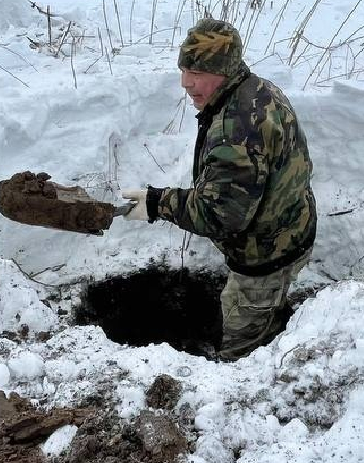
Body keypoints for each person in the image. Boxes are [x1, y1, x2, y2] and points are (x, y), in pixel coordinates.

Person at [122, 18, 316, 361]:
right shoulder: (259, 90)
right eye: (184, 70)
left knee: (242, 345)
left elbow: (219, 216)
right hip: (294, 227)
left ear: (224, 71)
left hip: (265, 257)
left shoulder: (235, 133)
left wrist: (156, 203)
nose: (186, 83)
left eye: (197, 73)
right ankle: (273, 322)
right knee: (267, 306)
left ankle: (251, 367)